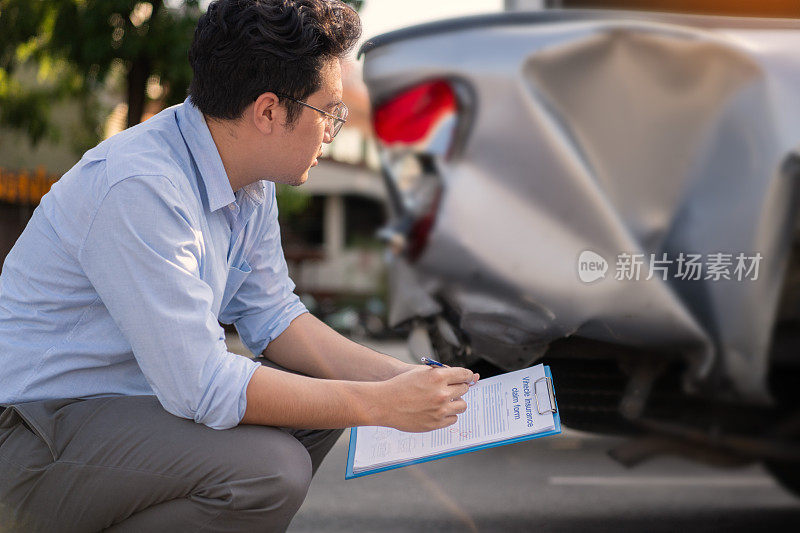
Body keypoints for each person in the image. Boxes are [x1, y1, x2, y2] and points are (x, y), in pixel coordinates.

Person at [0, 1, 479, 531]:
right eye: (331, 114)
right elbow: (201, 385)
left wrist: (410, 380)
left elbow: (274, 318)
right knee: (270, 471)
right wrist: (377, 405)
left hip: (121, 407)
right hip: (31, 429)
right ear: (269, 111)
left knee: (313, 399)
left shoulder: (249, 181)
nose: (333, 132)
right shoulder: (141, 186)